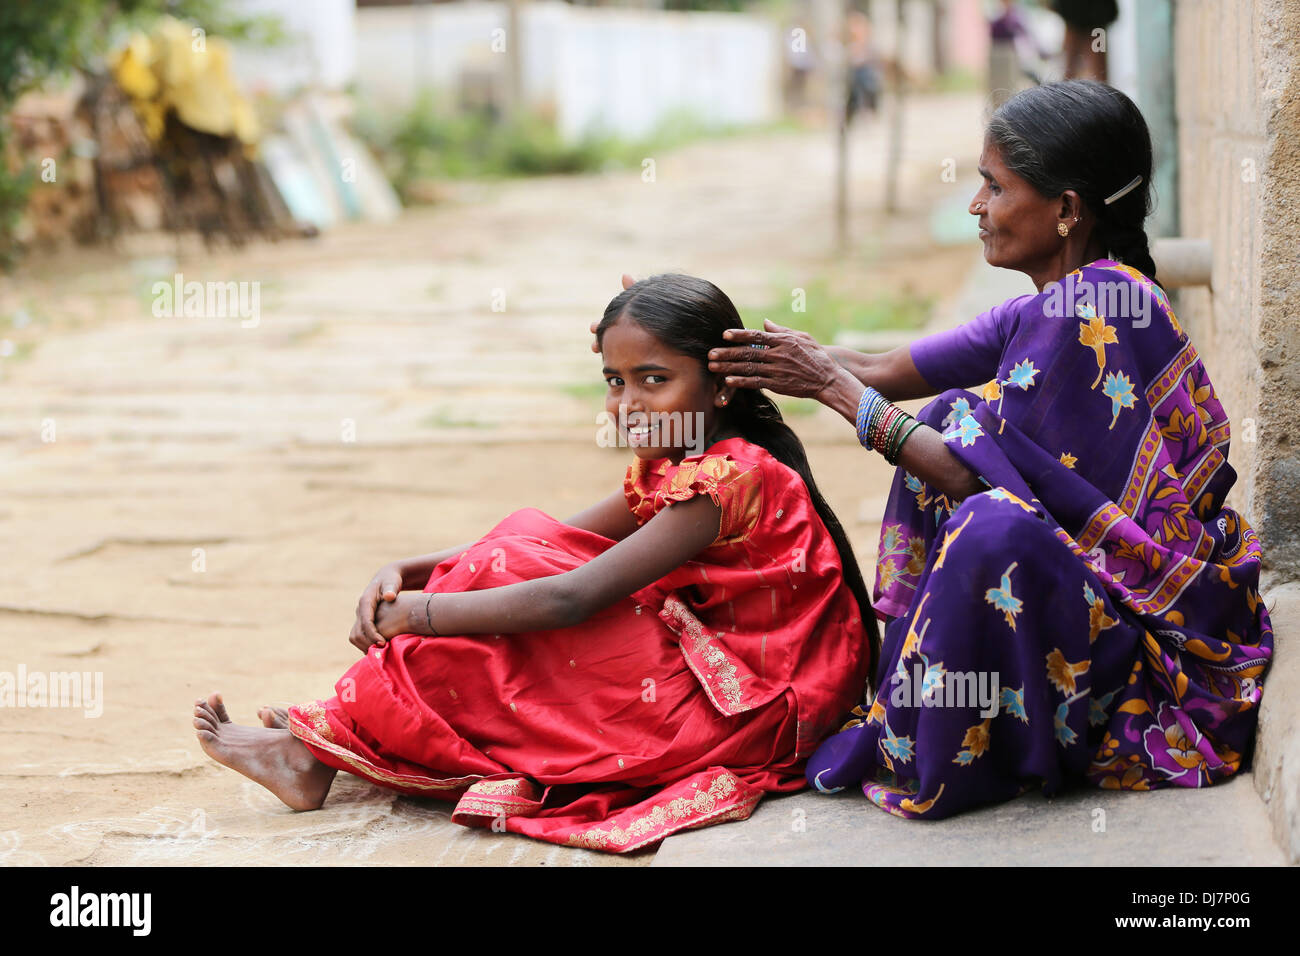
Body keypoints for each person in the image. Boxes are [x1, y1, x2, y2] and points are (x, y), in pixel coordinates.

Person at [705, 80, 1272, 820]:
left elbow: (980, 488)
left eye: (994, 186)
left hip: (1142, 634)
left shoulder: (1086, 311)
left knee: (987, 518)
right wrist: (737, 347)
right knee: (955, 413)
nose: (976, 205)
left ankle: (974, 739)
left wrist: (833, 394)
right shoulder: (1063, 300)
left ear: (1066, 210)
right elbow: (879, 367)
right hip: (1104, 603)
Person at [193, 274, 875, 852]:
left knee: (508, 613)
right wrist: (411, 567)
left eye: (654, 379)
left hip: (747, 709)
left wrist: (417, 615)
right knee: (517, 542)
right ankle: (329, 738)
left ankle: (311, 753)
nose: (628, 404)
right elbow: (554, 536)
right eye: (615, 381)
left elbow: (569, 599)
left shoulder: (729, 478)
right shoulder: (685, 455)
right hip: (710, 658)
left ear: (719, 386)